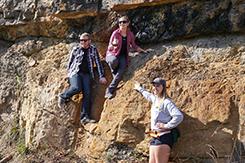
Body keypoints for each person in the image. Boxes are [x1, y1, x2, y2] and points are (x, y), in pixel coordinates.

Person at [58, 33, 107, 124]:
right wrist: (68, 74)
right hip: (75, 72)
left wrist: (101, 76)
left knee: (87, 94)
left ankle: (85, 117)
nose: (82, 42)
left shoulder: (93, 50)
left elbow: (98, 63)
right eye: (81, 40)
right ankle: (63, 96)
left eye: (84, 40)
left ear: (89, 41)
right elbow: (70, 62)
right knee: (76, 88)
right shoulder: (76, 49)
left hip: (87, 74)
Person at [134, 78, 183, 163]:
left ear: (163, 87)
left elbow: (179, 116)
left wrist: (166, 126)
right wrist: (139, 88)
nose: (155, 88)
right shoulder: (155, 99)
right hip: (155, 137)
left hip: (163, 138)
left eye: (158, 86)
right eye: (154, 85)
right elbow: (148, 95)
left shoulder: (166, 102)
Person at [105, 15, 146, 99]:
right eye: (120, 22)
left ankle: (109, 90)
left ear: (128, 23)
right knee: (113, 61)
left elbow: (133, 45)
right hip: (112, 54)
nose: (121, 24)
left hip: (123, 55)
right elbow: (110, 46)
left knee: (122, 70)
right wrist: (112, 46)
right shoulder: (115, 33)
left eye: (124, 22)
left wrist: (140, 49)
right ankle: (113, 71)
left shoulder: (130, 34)